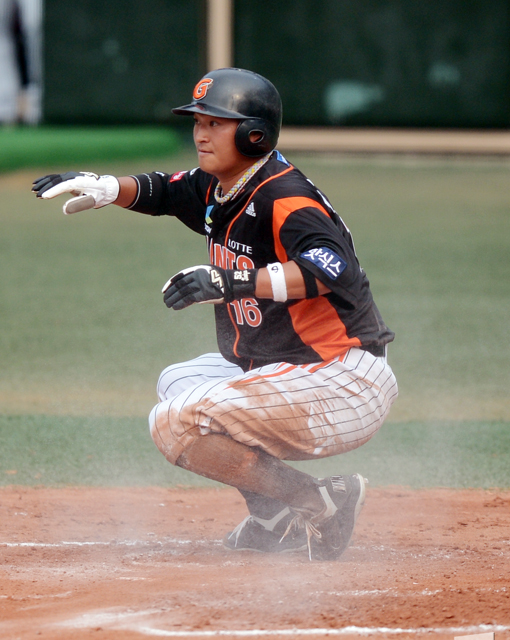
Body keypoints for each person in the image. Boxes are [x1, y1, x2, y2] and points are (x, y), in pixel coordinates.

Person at [32, 68, 398, 561]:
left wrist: (234, 282)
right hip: (292, 370)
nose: (200, 132)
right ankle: (272, 515)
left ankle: (321, 502)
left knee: (175, 424)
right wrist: (104, 187)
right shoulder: (223, 185)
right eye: (198, 121)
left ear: (254, 134)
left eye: (215, 122)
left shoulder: (284, 197)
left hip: (341, 378)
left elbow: (331, 268)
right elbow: (164, 190)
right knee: (178, 384)